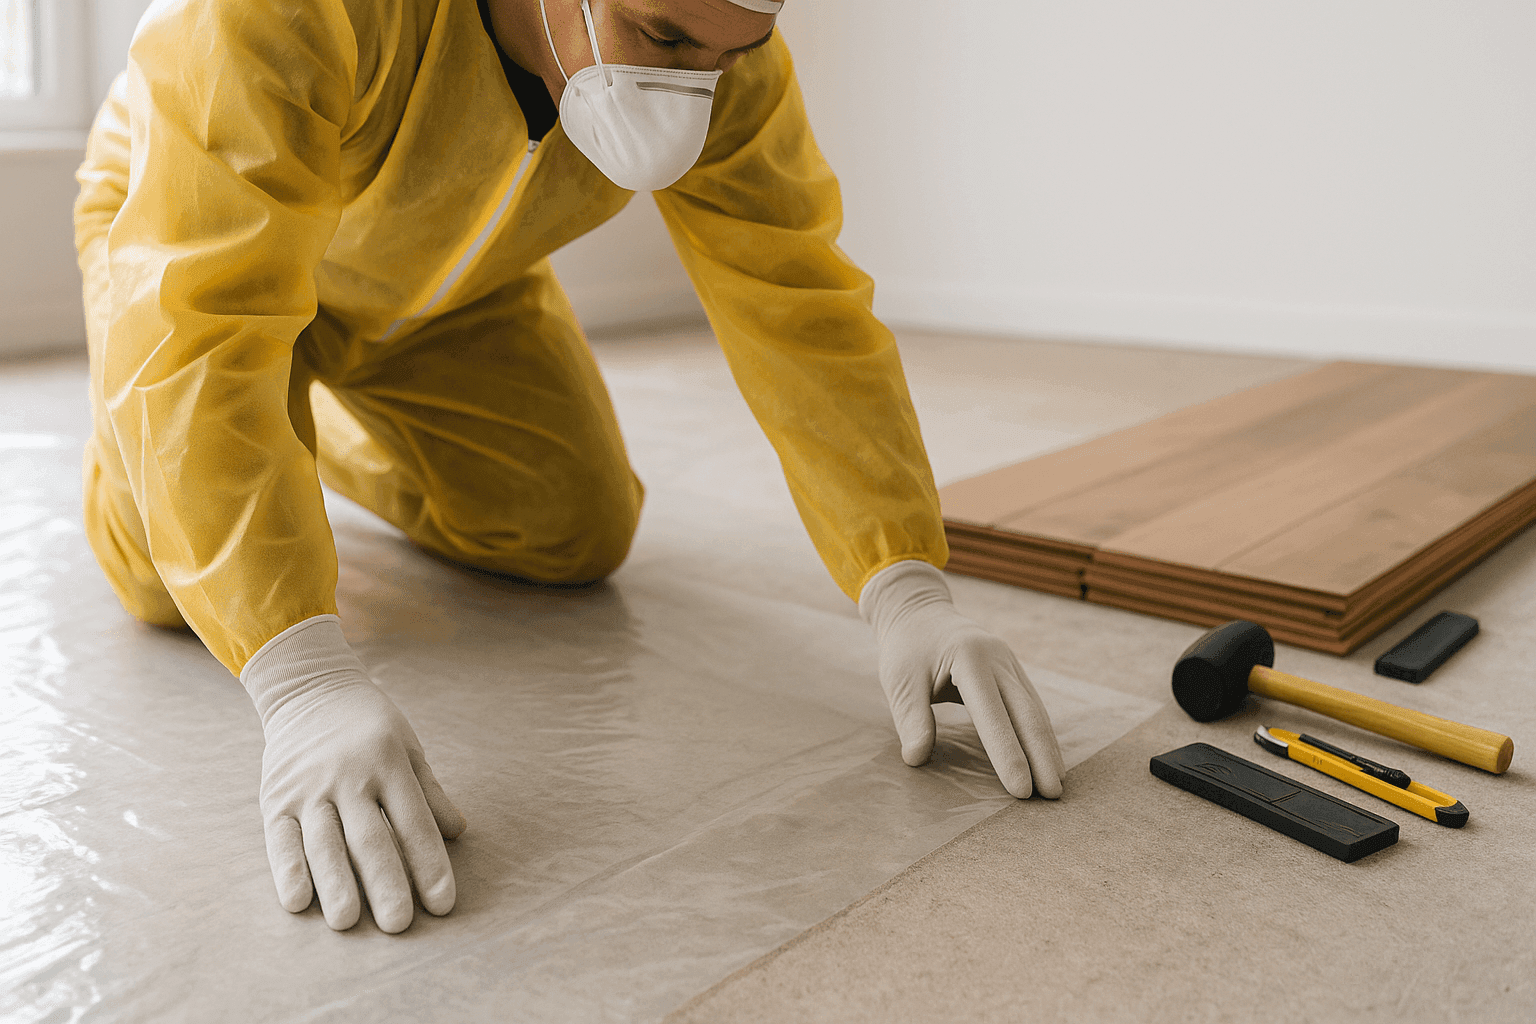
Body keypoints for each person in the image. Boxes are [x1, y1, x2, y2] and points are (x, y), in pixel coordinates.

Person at [73, 0, 1066, 934]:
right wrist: (299, 675)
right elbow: (200, 320)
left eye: (730, 55)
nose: (697, 90)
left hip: (441, 288)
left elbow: (796, 297)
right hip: (187, 245)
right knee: (172, 584)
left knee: (572, 526)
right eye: (665, 37)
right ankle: (205, 421)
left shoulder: (725, 56)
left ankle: (293, 423)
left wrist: (904, 582)